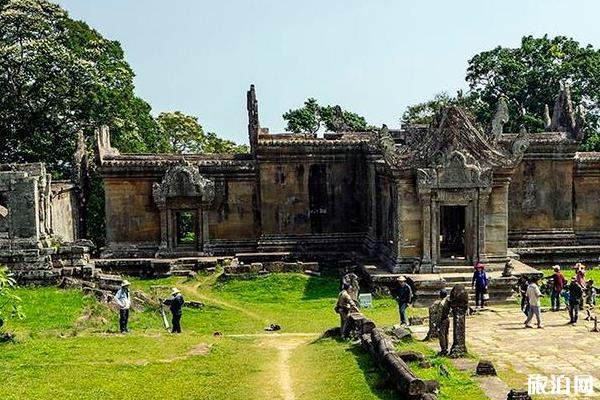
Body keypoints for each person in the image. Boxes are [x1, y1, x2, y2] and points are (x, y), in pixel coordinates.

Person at [436, 289, 451, 356]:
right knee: (446, 334)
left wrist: (437, 323)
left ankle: (443, 350)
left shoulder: (441, 303)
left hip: (442, 320)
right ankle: (446, 348)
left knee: (441, 335)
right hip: (447, 319)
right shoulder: (448, 301)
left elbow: (439, 315)